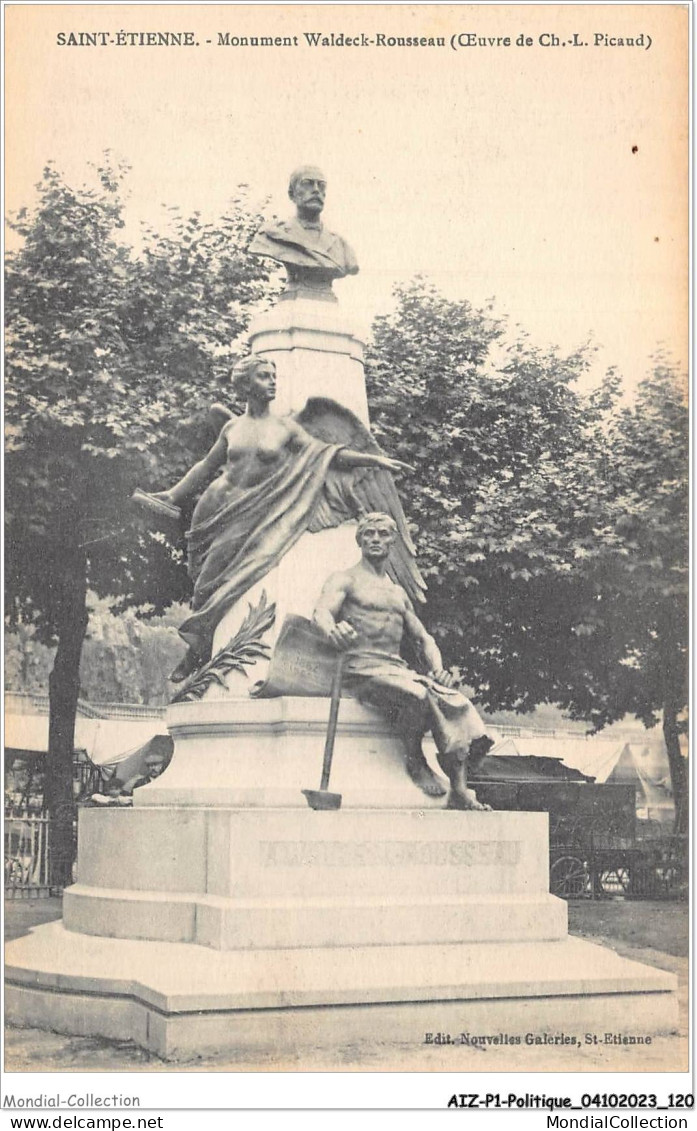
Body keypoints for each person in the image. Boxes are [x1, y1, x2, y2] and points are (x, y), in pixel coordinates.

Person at [148, 358, 410, 679]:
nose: (272, 382)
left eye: (274, 376)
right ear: (246, 385)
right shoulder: (233, 427)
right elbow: (205, 466)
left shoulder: (285, 428)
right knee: (203, 582)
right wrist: (172, 495)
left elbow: (327, 454)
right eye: (263, 377)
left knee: (225, 581)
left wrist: (372, 459)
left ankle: (198, 649)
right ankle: (202, 645)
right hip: (214, 508)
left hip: (256, 512)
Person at [313, 513, 494, 809]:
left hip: (396, 669)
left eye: (382, 534)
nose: (375, 539)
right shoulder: (344, 579)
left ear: (392, 541)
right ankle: (414, 756)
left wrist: (438, 670)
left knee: (458, 703)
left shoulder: (398, 593)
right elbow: (321, 612)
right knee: (418, 694)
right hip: (360, 668)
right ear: (359, 539)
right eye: (369, 533)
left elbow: (424, 639)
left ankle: (460, 789)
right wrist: (333, 630)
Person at [249, 165, 358, 296]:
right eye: (307, 184)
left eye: (321, 185)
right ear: (292, 194)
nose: (316, 190)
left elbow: (351, 266)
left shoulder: (341, 244)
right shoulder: (272, 235)